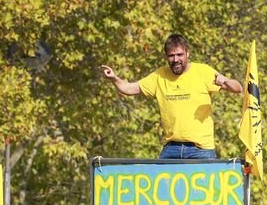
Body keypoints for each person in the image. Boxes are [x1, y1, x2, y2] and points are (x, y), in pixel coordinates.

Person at [99, 33, 243, 159]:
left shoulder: (203, 72)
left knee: (201, 191)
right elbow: (128, 88)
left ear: (188, 53)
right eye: (171, 56)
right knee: (163, 190)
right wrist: (114, 78)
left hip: (201, 150)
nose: (175, 59)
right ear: (166, 56)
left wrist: (226, 81)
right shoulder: (159, 76)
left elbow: (238, 88)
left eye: (179, 54)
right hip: (171, 148)